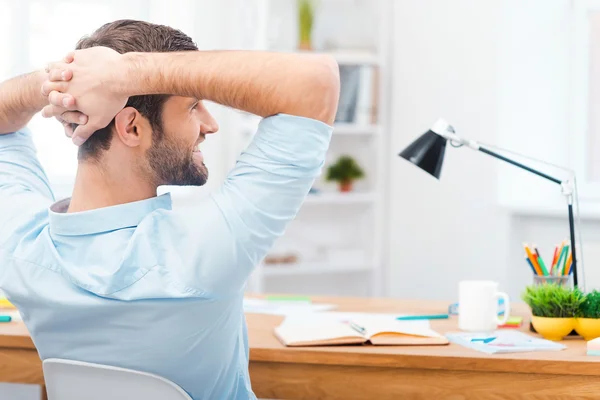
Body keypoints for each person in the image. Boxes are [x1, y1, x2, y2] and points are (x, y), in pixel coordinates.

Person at [0, 20, 339, 400]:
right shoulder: (201, 253)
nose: (210, 125)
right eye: (193, 105)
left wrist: (61, 82)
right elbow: (316, 81)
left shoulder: (21, 249)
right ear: (132, 128)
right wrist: (126, 75)